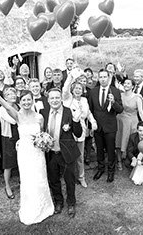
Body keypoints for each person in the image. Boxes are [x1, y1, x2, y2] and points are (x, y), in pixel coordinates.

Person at [0, 87, 54, 225]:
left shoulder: (39, 117)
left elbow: (42, 133)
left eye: (29, 99)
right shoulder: (18, 115)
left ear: (32, 100)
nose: (27, 102)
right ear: (20, 101)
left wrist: (44, 141)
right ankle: (31, 207)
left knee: (40, 177)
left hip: (37, 153)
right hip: (24, 153)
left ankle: (44, 205)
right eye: (24, 100)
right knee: (28, 179)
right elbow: (5, 106)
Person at [40, 88, 82, 218]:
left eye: (57, 97)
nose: (55, 100)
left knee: (70, 180)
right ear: (48, 100)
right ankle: (58, 201)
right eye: (52, 98)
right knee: (53, 180)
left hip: (67, 153)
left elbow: (78, 133)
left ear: (61, 99)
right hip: (51, 153)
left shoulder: (69, 112)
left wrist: (76, 121)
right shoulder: (43, 112)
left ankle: (71, 203)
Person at [88, 69, 124, 183]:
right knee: (99, 149)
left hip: (110, 127)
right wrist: (91, 126)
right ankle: (100, 168)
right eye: (101, 77)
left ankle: (111, 171)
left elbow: (120, 109)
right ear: (98, 78)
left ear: (109, 78)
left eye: (105, 77)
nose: (103, 79)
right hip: (98, 127)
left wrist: (113, 102)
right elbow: (90, 110)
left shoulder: (115, 91)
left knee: (110, 149)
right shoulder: (93, 92)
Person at [62, 73, 97, 188]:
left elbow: (89, 113)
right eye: (76, 88)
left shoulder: (84, 100)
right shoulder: (68, 99)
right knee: (69, 156)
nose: (78, 90)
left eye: (80, 89)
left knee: (80, 156)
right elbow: (65, 88)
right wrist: (71, 76)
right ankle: (70, 177)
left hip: (81, 130)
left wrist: (93, 122)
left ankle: (81, 177)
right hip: (69, 131)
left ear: (83, 91)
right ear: (72, 90)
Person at [115, 78, 143, 171]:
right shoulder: (119, 95)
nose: (126, 85)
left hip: (132, 121)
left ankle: (133, 159)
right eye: (124, 83)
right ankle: (119, 160)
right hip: (120, 121)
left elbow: (141, 112)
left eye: (128, 83)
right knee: (118, 140)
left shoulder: (137, 97)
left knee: (131, 141)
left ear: (133, 86)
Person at [0, 87, 20, 199]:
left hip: (20, 137)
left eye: (14, 93)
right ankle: (7, 186)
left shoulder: (18, 106)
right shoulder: (3, 109)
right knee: (8, 164)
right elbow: (13, 120)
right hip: (9, 138)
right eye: (9, 94)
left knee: (21, 160)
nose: (13, 96)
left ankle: (22, 181)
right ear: (5, 97)